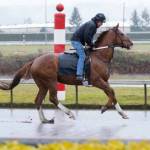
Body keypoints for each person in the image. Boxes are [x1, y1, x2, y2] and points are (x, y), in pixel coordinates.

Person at [71, 13, 106, 81]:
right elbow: (87, 37)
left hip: (79, 41)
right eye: (101, 22)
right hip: (76, 41)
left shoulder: (93, 26)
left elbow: (89, 38)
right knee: (82, 56)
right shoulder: (92, 25)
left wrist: (90, 45)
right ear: (97, 20)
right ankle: (79, 74)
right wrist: (91, 45)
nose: (101, 24)